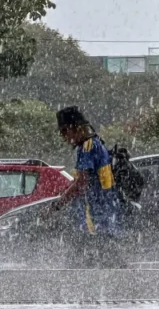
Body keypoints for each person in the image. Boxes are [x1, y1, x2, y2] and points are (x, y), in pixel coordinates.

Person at [49, 106, 123, 268]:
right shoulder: (96, 143)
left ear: (75, 128)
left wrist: (58, 205)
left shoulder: (87, 147)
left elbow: (81, 183)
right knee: (107, 265)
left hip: (97, 221)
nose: (64, 137)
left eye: (64, 131)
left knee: (92, 266)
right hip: (104, 220)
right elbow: (83, 181)